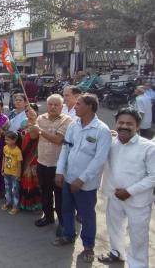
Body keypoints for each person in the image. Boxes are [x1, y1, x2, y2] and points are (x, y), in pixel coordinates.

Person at [54, 94, 112, 263]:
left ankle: (88, 247)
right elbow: (66, 149)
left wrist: (81, 180)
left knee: (87, 216)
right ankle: (68, 235)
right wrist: (59, 171)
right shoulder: (73, 125)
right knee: (67, 210)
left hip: (86, 185)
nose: (74, 106)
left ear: (90, 107)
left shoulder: (102, 130)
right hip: (68, 178)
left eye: (79, 104)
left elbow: (99, 160)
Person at [98, 108, 155, 267]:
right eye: (121, 122)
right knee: (114, 228)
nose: (124, 126)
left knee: (138, 237)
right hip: (114, 196)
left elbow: (153, 176)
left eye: (129, 124)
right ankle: (117, 253)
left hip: (138, 201)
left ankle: (137, 264)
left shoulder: (148, 147)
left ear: (137, 127)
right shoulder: (111, 143)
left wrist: (129, 191)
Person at [29, 94, 72, 237]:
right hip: (42, 162)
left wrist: (40, 130)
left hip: (57, 166)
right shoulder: (41, 118)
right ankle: (48, 217)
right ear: (46, 105)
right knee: (45, 193)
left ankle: (63, 223)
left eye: (56, 105)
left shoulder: (67, 120)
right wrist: (31, 121)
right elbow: (34, 136)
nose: (53, 107)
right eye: (50, 104)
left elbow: (58, 140)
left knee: (60, 196)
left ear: (62, 106)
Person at [19, 103, 42, 211]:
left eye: (31, 110)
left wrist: (34, 123)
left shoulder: (40, 122)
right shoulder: (24, 122)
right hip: (24, 152)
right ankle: (25, 203)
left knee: (34, 178)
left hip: (34, 154)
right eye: (26, 111)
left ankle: (36, 203)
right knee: (25, 178)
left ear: (36, 111)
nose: (29, 113)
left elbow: (35, 137)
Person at [1, 131, 23, 215]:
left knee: (15, 191)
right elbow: (4, 158)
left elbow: (19, 164)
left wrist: (18, 175)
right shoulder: (5, 148)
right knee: (7, 188)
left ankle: (15, 207)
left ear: (14, 140)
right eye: (5, 140)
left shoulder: (17, 151)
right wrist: (2, 169)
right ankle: (8, 202)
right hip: (6, 172)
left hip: (14, 174)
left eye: (8, 140)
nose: (6, 141)